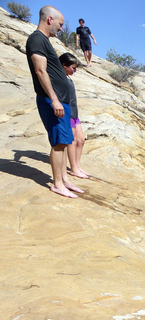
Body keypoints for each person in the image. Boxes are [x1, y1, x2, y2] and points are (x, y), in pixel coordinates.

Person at [26, 5, 83, 198]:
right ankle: (57, 183)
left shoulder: (44, 40)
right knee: (59, 142)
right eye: (60, 24)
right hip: (53, 101)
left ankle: (65, 179)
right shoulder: (36, 39)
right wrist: (55, 100)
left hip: (62, 102)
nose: (61, 29)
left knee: (65, 141)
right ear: (49, 19)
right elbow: (40, 71)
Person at [59, 52, 90, 179]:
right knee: (72, 141)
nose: (75, 71)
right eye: (73, 68)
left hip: (74, 113)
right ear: (64, 65)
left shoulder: (67, 77)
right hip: (68, 113)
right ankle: (73, 168)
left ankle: (77, 166)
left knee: (81, 140)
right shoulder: (60, 77)